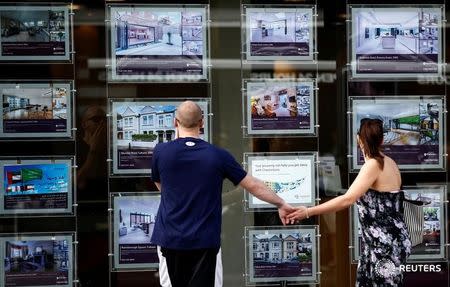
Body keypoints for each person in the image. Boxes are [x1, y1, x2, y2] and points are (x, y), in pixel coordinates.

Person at [151, 100, 295, 287]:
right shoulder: (218, 155)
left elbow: (160, 184)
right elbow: (254, 185)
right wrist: (281, 203)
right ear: (202, 123)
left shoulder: (161, 152)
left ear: (174, 122)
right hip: (205, 240)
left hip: (169, 239)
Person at [287, 118, 411, 286]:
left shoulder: (373, 165)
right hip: (390, 241)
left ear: (358, 139)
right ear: (382, 139)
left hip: (383, 246)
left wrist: (308, 211)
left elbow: (348, 199)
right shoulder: (390, 162)